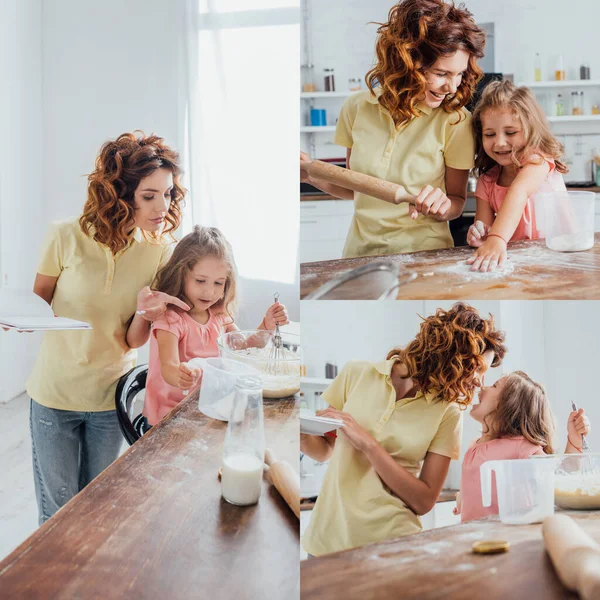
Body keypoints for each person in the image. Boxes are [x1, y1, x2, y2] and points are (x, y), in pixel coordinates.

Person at [26, 132, 188, 524]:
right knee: (58, 511)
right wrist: (18, 323)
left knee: (96, 506)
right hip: (55, 393)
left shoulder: (158, 251)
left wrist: (144, 313)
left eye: (167, 194)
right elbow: (38, 304)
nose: (162, 207)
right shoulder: (64, 235)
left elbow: (131, 340)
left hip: (108, 396)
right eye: (149, 195)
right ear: (120, 193)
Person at [300, 303, 507, 557]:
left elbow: (424, 501)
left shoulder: (448, 411)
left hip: (392, 546)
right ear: (450, 352)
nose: (478, 381)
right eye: (477, 369)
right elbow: (324, 450)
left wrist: (370, 445)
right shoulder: (357, 373)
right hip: (326, 540)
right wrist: (298, 433)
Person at [300, 0, 486, 259]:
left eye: (459, 74)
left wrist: (441, 205)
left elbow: (456, 202)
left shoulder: (455, 120)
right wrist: (310, 175)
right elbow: (357, 188)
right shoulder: (356, 108)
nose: (452, 87)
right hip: (360, 254)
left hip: (424, 256)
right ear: (406, 62)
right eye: (442, 73)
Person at [139, 225, 289, 426]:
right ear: (180, 274)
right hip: (170, 417)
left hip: (207, 409)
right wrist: (182, 376)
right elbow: (168, 368)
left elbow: (245, 348)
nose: (209, 292)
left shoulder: (219, 315)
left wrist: (267, 325)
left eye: (218, 283)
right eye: (201, 281)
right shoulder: (170, 318)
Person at [455, 371, 591, 522]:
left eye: (494, 386)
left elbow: (561, 475)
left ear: (509, 406)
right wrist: (463, 496)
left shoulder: (520, 446)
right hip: (473, 535)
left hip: (503, 534)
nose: (483, 387)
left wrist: (574, 439)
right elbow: (476, 481)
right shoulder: (474, 444)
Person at [466, 80, 568, 272]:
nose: (499, 143)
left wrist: (496, 238)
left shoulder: (538, 162)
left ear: (530, 130)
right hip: (517, 265)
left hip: (560, 260)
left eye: (510, 132)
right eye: (489, 134)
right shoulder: (487, 181)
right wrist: (481, 235)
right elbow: (486, 230)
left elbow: (519, 190)